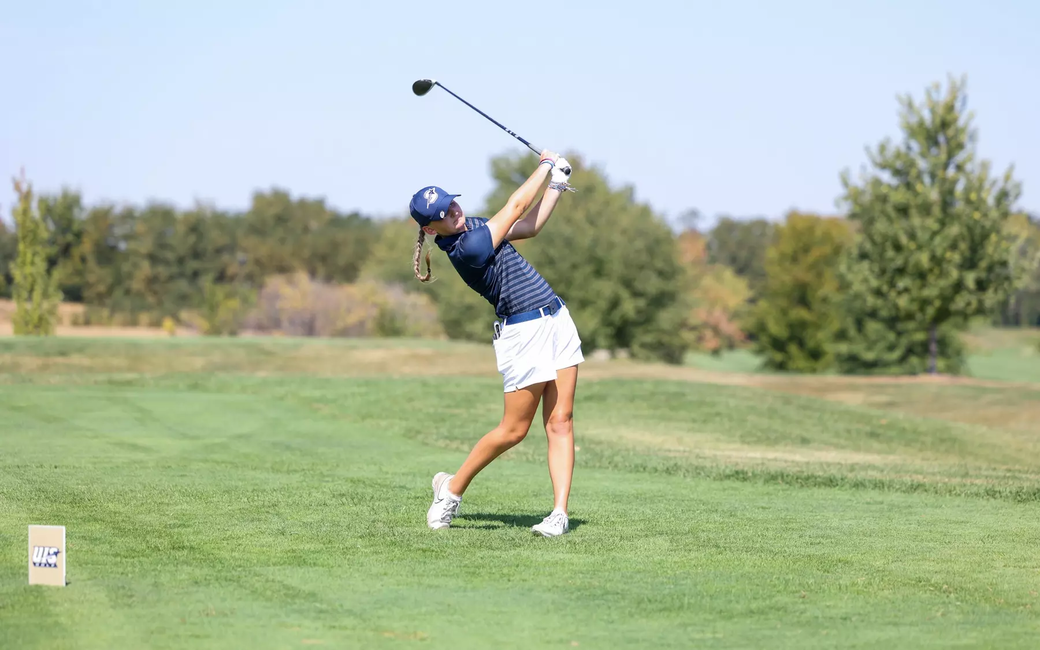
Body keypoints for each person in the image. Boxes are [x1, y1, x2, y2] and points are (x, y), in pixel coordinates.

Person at [409, 150, 582, 537]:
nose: (453, 211)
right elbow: (517, 203)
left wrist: (555, 184)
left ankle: (558, 514)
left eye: (451, 202)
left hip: (556, 318)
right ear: (433, 230)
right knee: (513, 431)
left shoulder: (472, 225)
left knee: (561, 421)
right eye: (443, 214)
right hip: (523, 333)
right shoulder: (466, 248)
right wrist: (544, 164)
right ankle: (451, 490)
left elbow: (529, 225)